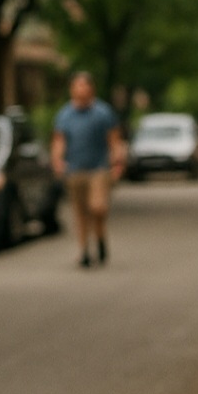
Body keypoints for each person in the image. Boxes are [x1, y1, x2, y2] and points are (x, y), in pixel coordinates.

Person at [51, 72, 124, 269]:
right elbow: (59, 141)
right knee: (81, 212)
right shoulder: (64, 115)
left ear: (91, 89)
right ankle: (84, 250)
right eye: (77, 86)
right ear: (71, 89)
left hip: (99, 169)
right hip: (75, 169)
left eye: (84, 86)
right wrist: (58, 161)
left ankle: (100, 236)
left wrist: (118, 162)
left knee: (97, 207)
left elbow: (114, 141)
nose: (81, 90)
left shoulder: (103, 113)